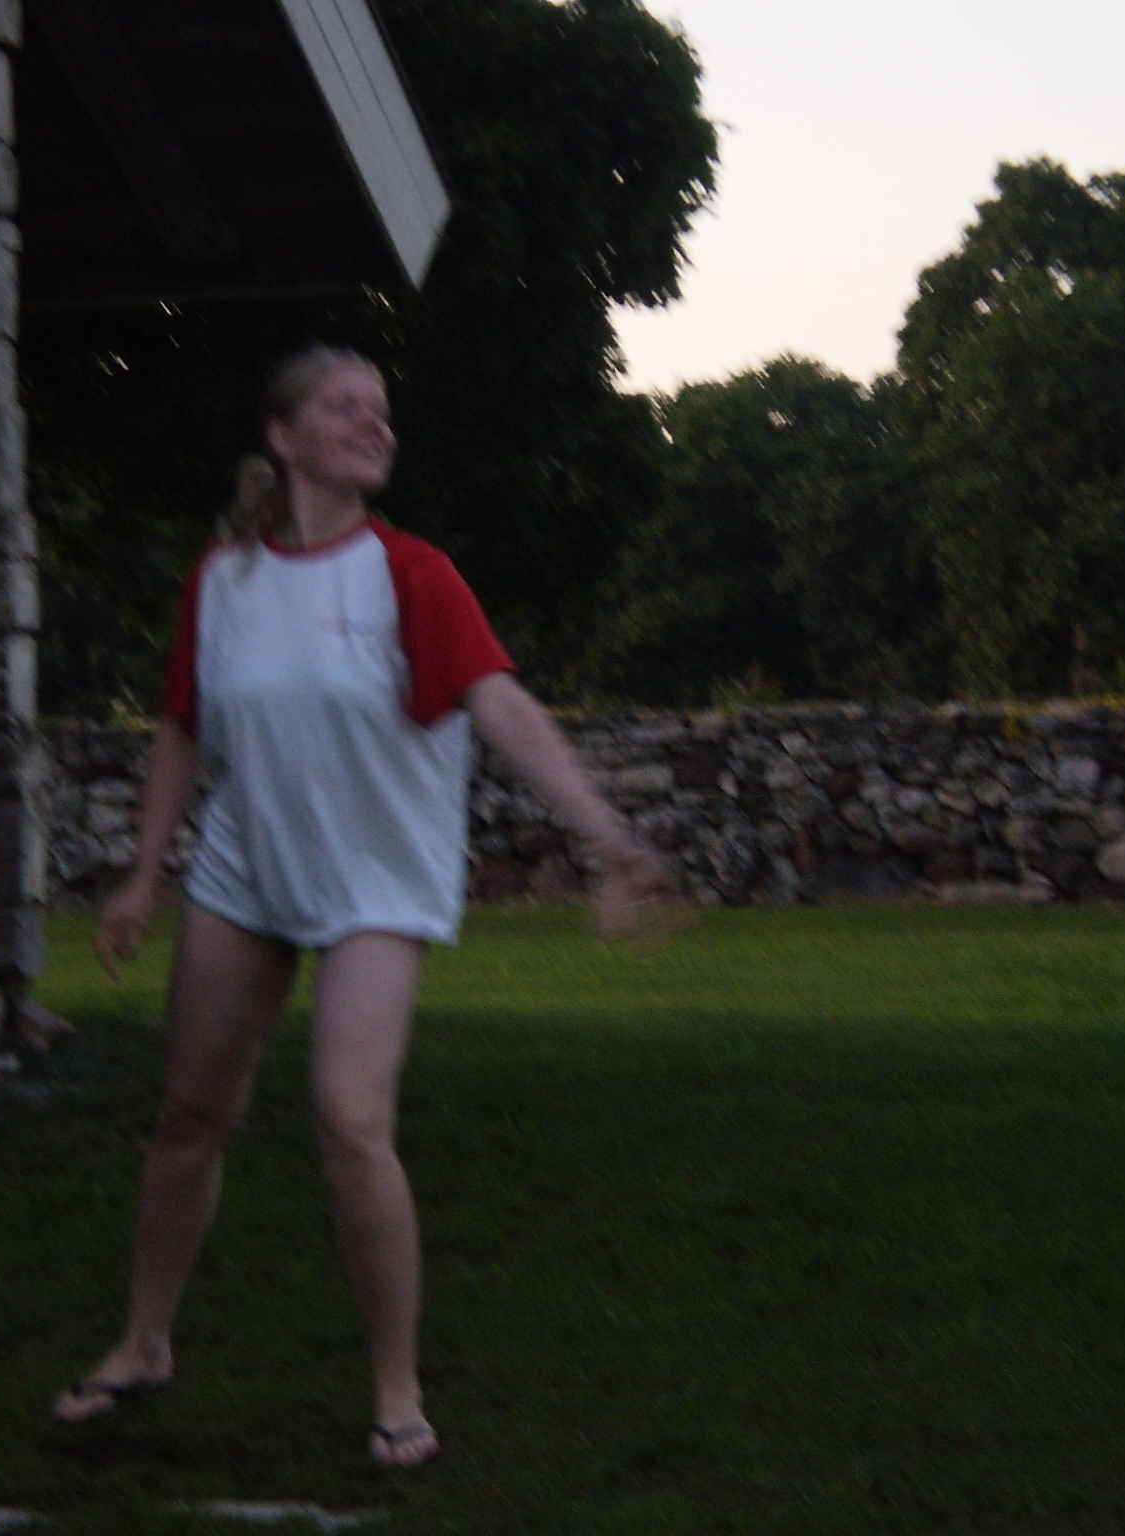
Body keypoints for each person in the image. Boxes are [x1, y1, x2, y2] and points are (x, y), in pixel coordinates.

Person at [50, 345, 672, 1468]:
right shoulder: (223, 580)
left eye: (381, 410)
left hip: (377, 885)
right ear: (283, 437)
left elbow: (502, 707)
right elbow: (182, 728)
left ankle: (396, 1389)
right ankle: (142, 1343)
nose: (372, 423)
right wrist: (143, 874)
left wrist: (607, 835)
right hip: (245, 875)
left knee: (348, 1118)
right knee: (189, 1115)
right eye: (344, 407)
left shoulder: (412, 574)